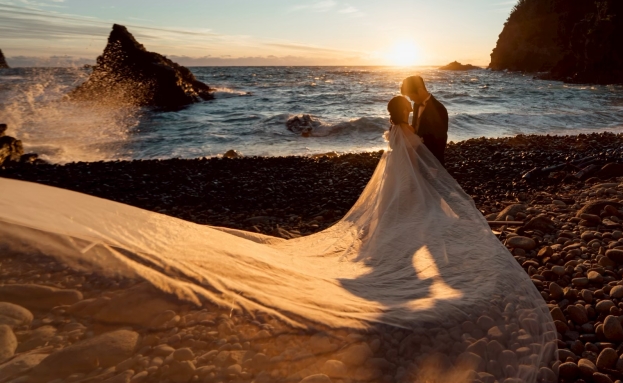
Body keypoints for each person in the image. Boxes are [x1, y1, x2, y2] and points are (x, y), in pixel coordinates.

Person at [0, 94, 556, 383]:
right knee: (398, 218)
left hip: (406, 171)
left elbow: (407, 148)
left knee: (392, 218)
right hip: (413, 174)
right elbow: (421, 148)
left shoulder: (402, 124)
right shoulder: (415, 119)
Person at [400, 75, 448, 166]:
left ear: (420, 90)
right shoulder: (416, 105)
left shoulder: (439, 109)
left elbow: (441, 138)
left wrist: (433, 163)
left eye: (411, 95)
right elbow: (416, 128)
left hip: (432, 159)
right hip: (418, 156)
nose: (411, 99)